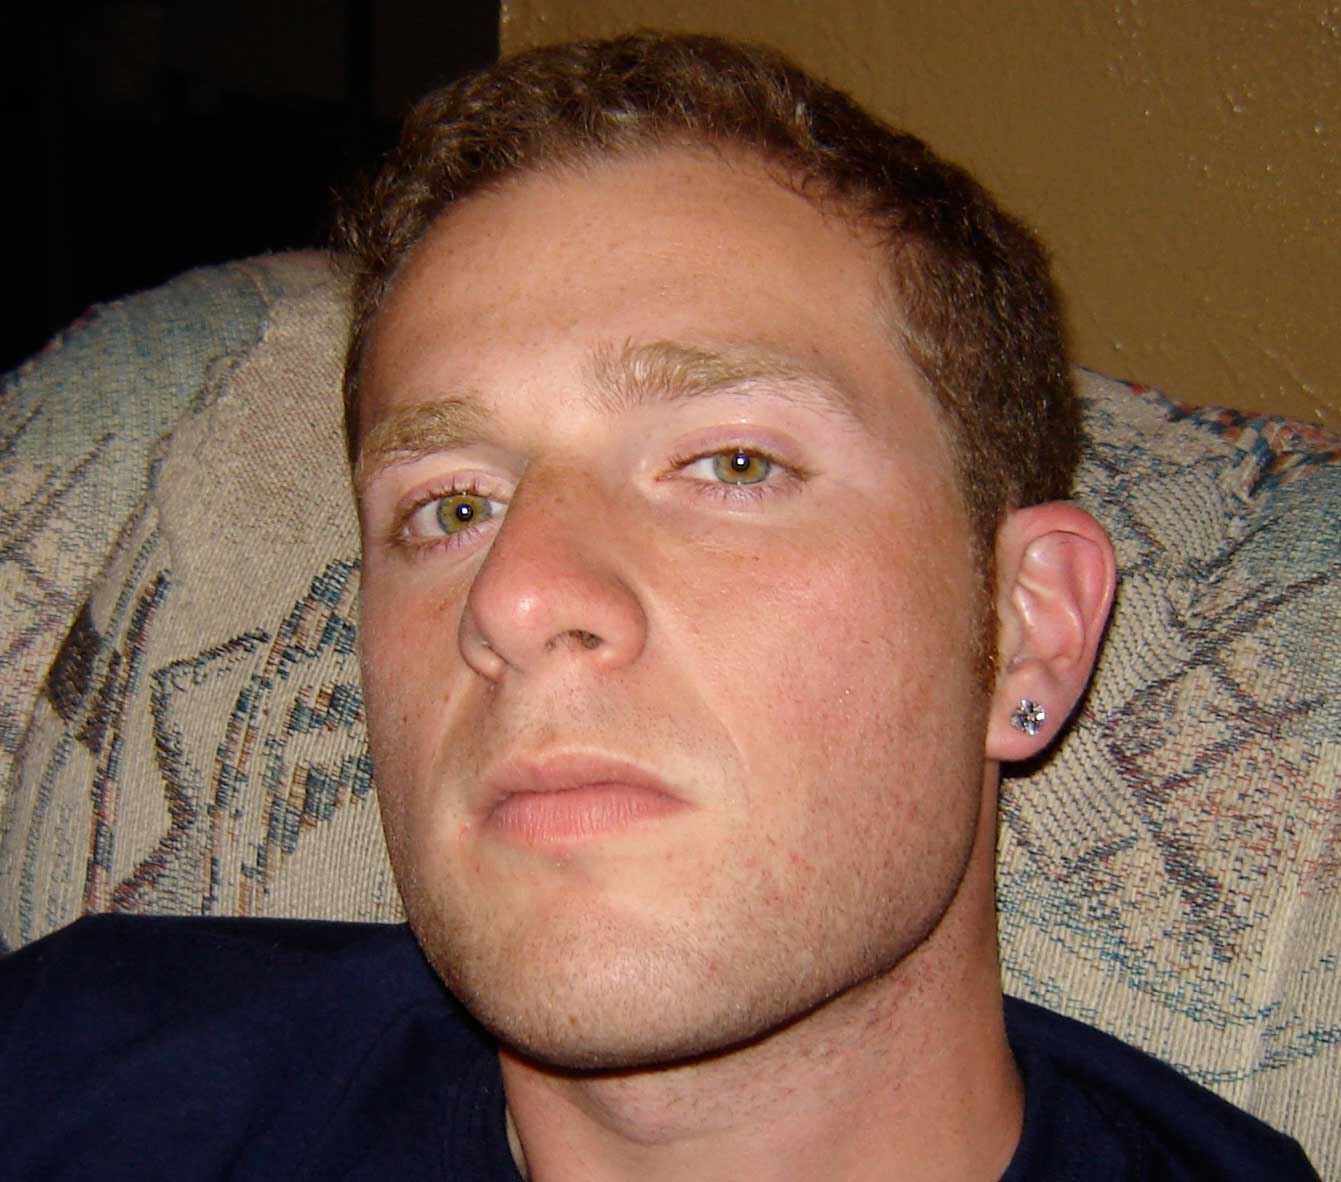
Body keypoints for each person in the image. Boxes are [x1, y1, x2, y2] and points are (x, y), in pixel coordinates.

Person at [0, 31, 1319, 1182]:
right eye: (449, 507)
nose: (517, 594)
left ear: (1026, 630)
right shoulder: (77, 1071)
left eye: (731, 464)